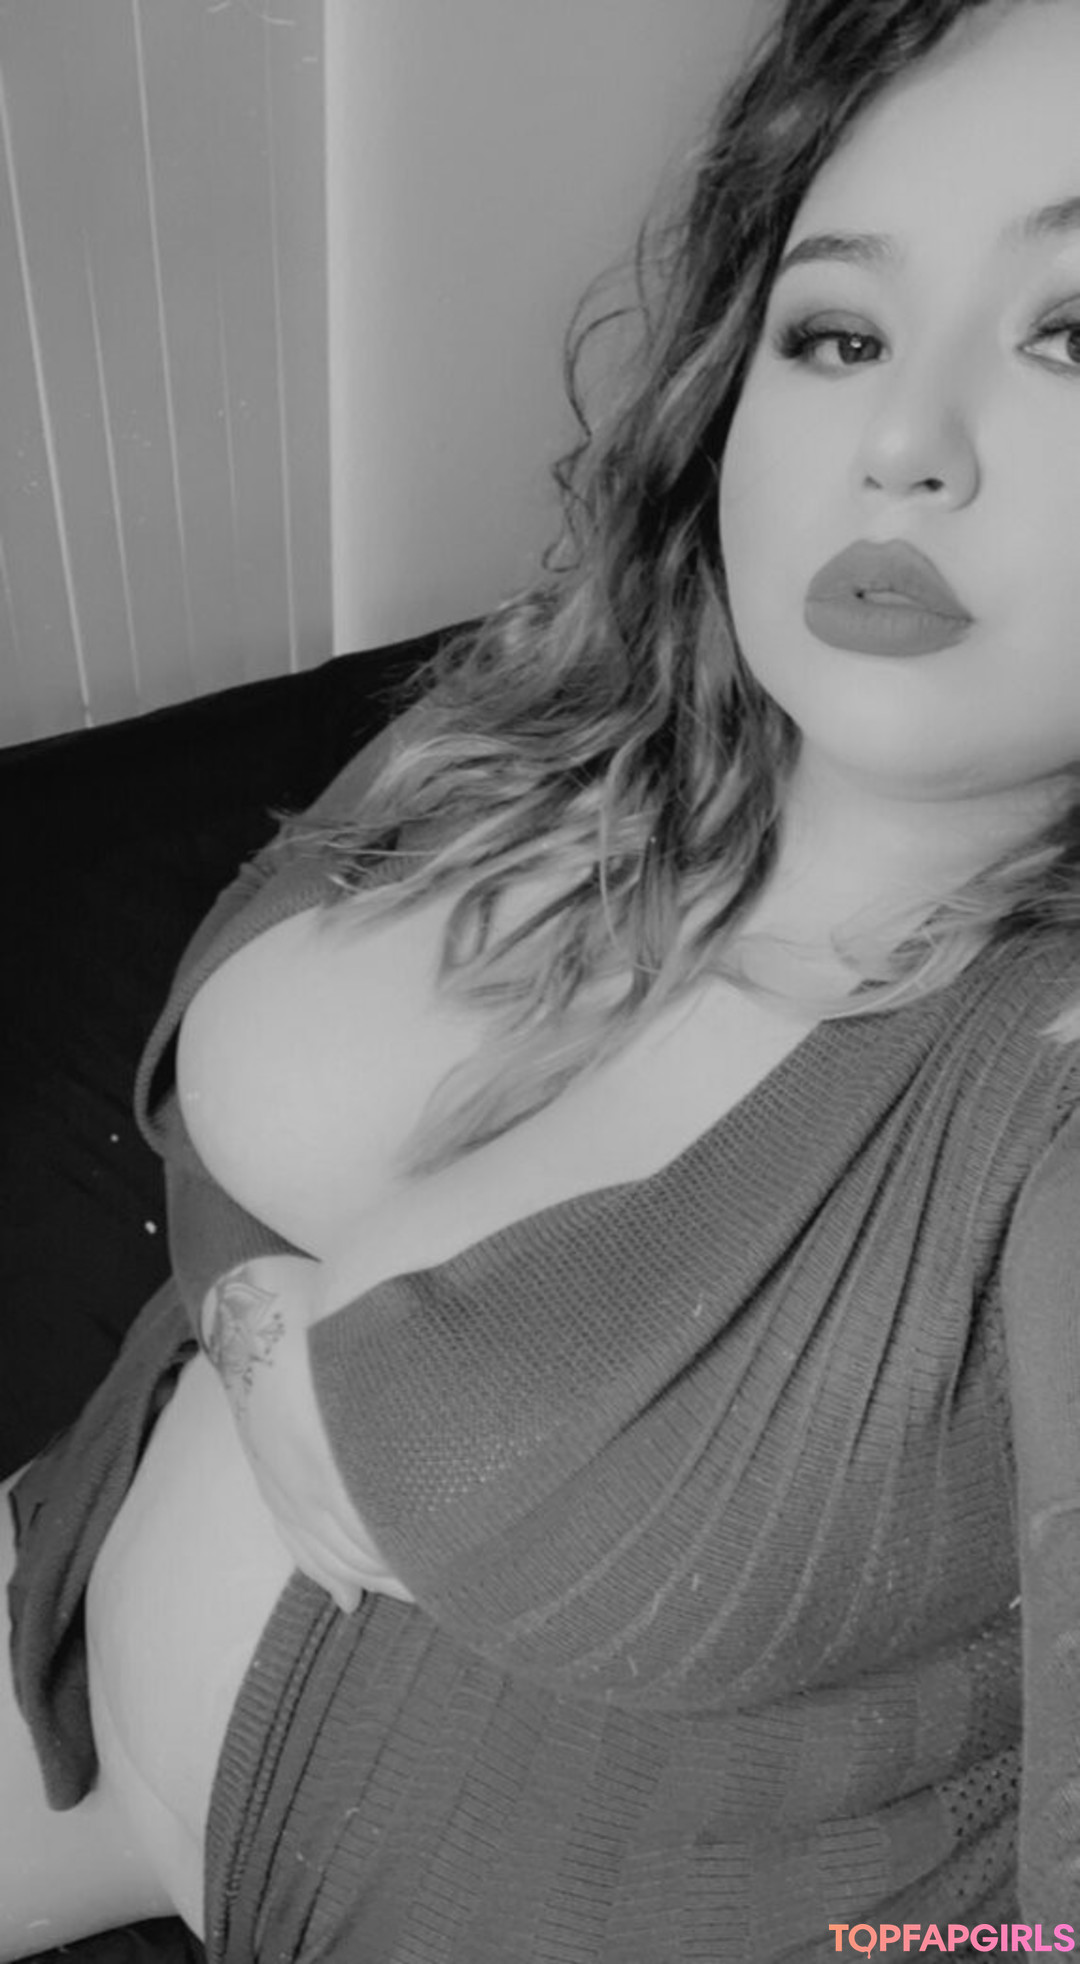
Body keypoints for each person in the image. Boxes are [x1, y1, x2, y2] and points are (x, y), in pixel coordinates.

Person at [6, 0, 1080, 1955]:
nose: (901, 447)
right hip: (68, 1623)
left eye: (1074, 335)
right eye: (838, 333)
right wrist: (249, 1317)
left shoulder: (1045, 1088)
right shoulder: (584, 699)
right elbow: (219, 1074)